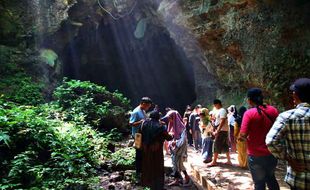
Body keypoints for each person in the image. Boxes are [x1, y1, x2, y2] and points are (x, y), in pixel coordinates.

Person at [266, 78, 310, 190]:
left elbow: (271, 141)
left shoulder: (286, 117)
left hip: (298, 178)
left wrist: (287, 158)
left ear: (295, 95)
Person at [239, 88, 279, 190]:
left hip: (255, 154)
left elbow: (243, 134)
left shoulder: (249, 113)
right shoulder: (273, 110)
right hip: (272, 152)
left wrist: (241, 138)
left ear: (249, 100)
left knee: (259, 183)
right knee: (271, 178)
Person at [140, 110, 173, 190]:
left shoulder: (144, 124)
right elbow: (168, 138)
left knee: (147, 166)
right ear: (158, 117)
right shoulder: (161, 126)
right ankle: (157, 186)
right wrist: (171, 135)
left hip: (146, 149)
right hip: (156, 151)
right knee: (158, 168)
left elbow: (139, 135)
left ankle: (147, 184)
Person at [162, 110, 191, 186]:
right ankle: (184, 178)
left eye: (169, 118)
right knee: (178, 164)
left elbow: (182, 139)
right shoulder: (171, 125)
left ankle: (178, 180)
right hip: (174, 149)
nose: (169, 120)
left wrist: (176, 143)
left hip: (178, 149)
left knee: (176, 164)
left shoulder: (181, 127)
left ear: (173, 117)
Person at [129, 97, 152, 182]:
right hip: (137, 136)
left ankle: (143, 171)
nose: (148, 108)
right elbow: (131, 123)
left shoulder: (143, 110)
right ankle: (138, 173)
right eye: (148, 106)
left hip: (142, 135)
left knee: (143, 153)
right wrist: (140, 122)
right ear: (143, 103)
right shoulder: (136, 111)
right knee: (139, 154)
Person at [207, 99, 231, 167]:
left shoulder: (222, 110)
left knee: (216, 144)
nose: (214, 106)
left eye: (215, 105)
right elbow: (218, 120)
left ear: (218, 104)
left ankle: (214, 161)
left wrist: (217, 130)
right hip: (222, 130)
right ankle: (229, 161)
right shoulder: (218, 111)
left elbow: (223, 121)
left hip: (222, 130)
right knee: (225, 145)